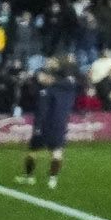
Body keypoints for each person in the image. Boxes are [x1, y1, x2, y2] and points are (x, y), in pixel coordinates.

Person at [21, 59, 77, 187]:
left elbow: (42, 111)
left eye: (41, 76)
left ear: (49, 77)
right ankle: (52, 180)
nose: (39, 78)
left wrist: (38, 127)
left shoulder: (45, 92)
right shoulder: (68, 89)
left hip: (44, 126)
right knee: (57, 152)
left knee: (33, 151)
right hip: (60, 124)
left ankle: (29, 177)